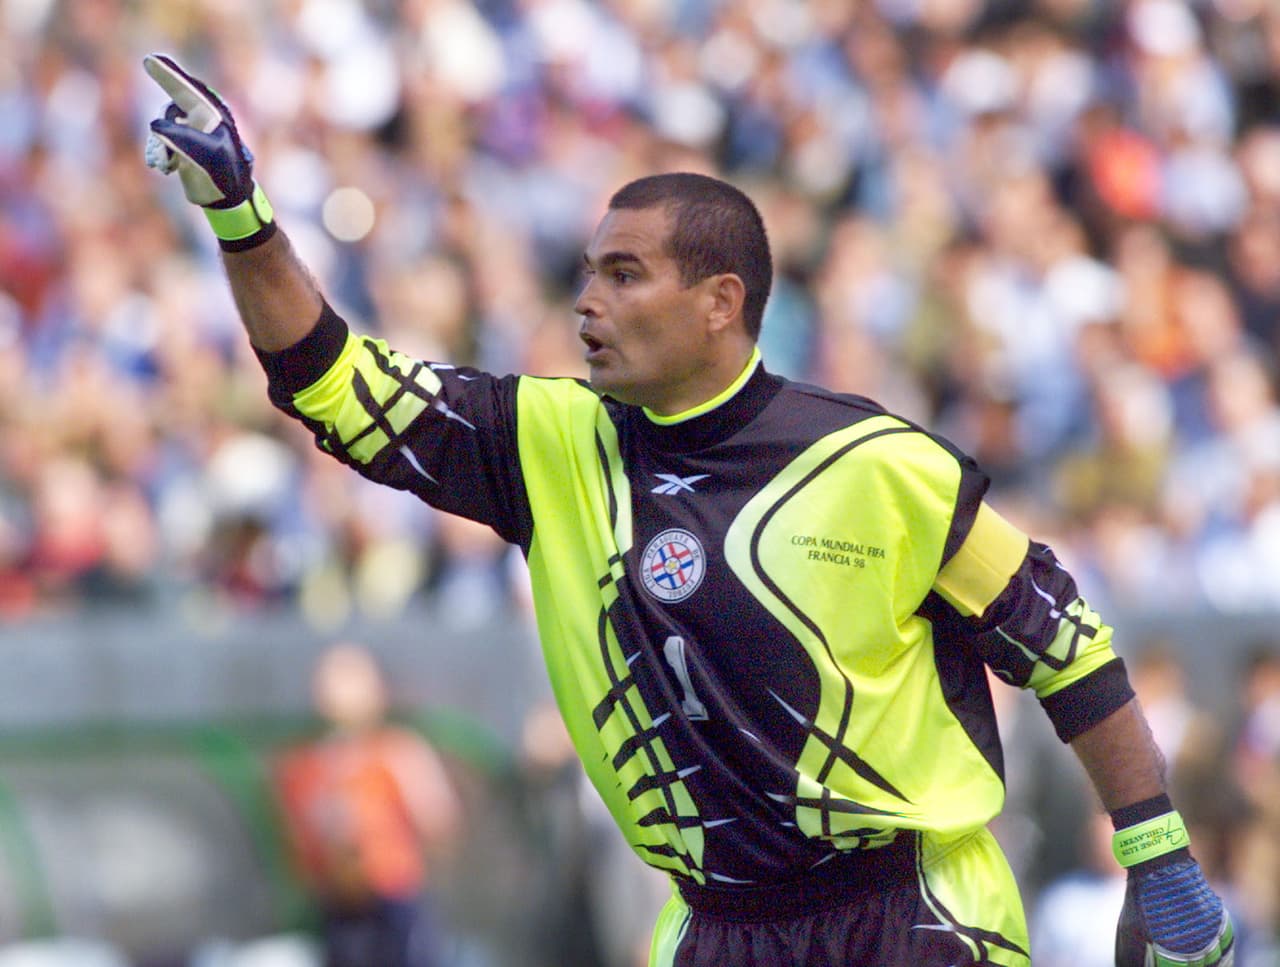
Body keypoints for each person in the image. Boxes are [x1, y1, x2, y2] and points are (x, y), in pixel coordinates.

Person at [143, 54, 1233, 966]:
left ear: (720, 304)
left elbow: (1064, 642)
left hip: (910, 913)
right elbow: (332, 382)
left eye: (624, 275)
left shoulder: (875, 460)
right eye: (587, 274)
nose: (586, 302)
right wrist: (243, 221)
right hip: (711, 927)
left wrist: (1158, 853)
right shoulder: (548, 441)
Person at [272, 642, 461, 967]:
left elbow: (437, 820)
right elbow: (299, 844)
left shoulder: (397, 753)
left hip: (394, 899)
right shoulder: (307, 767)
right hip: (340, 908)